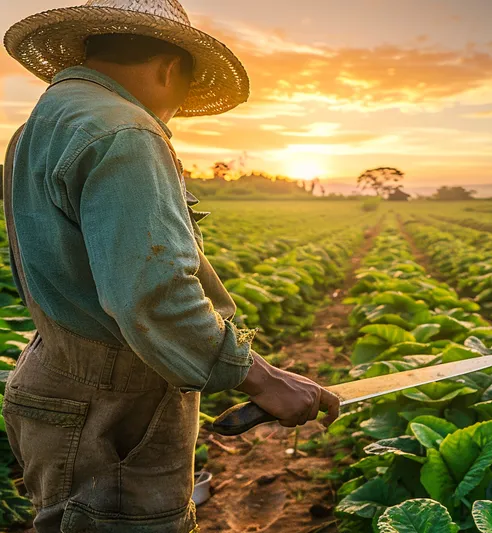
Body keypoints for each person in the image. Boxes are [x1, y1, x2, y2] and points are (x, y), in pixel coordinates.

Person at [1, 1, 340, 531]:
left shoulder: (38, 127)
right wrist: (259, 377)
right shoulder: (125, 130)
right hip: (114, 403)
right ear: (169, 68)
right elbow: (153, 294)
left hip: (57, 380)